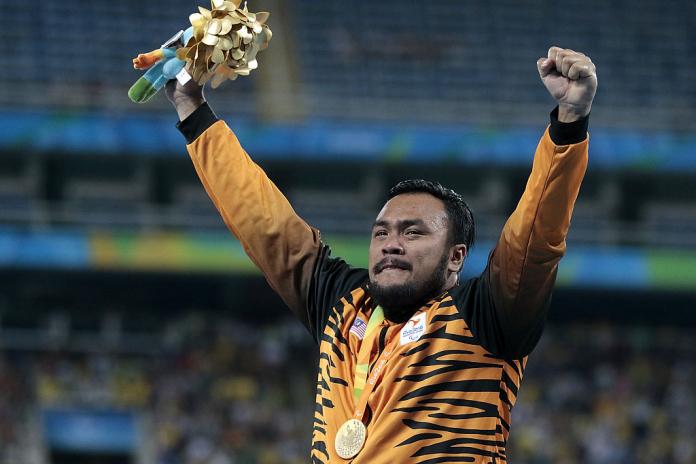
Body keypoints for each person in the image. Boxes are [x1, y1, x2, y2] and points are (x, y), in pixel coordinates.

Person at [165, 46, 597, 463]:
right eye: (382, 232)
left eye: (414, 232)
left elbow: (534, 239)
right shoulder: (344, 305)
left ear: (455, 257)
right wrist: (192, 109)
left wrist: (569, 124)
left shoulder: (487, 318)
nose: (392, 242)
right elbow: (264, 223)